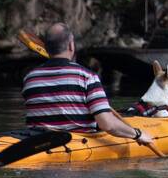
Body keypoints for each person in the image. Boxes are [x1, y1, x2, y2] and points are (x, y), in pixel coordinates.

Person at [23, 22, 154, 146]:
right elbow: (107, 124)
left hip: (37, 143)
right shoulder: (87, 77)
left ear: (47, 47)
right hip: (76, 145)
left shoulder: (30, 78)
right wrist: (137, 134)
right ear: (71, 46)